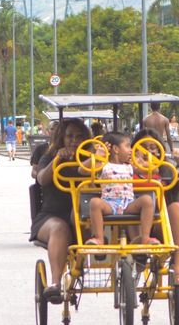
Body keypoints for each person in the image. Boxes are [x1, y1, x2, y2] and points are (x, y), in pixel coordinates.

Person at [33, 119, 91, 302]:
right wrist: (58, 158)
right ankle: (56, 283)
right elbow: (41, 179)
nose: (74, 140)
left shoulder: (91, 159)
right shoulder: (49, 157)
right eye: (70, 136)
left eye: (79, 136)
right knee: (60, 228)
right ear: (62, 138)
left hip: (84, 214)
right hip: (52, 216)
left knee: (82, 215)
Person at [133, 126, 179, 286]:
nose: (148, 152)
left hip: (160, 224)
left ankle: (178, 267)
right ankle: (138, 253)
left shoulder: (166, 170)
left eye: (153, 148)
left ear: (160, 150)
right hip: (132, 224)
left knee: (177, 208)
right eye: (143, 148)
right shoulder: (127, 168)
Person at [82, 131, 156, 248]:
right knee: (95, 203)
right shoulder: (103, 165)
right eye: (127, 146)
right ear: (116, 149)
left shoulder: (130, 166)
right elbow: (83, 170)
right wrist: (96, 157)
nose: (131, 150)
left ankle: (145, 237)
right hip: (109, 204)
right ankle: (99, 238)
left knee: (147, 200)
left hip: (128, 204)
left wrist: (144, 164)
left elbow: (155, 170)